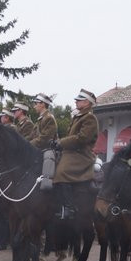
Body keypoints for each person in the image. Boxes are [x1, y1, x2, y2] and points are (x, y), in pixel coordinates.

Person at [52, 89, 99, 219]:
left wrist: (61, 142)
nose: (76, 101)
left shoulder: (89, 117)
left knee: (61, 172)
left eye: (79, 100)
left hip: (81, 154)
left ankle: (69, 207)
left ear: (87, 102)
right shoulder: (79, 116)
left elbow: (83, 138)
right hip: (71, 152)